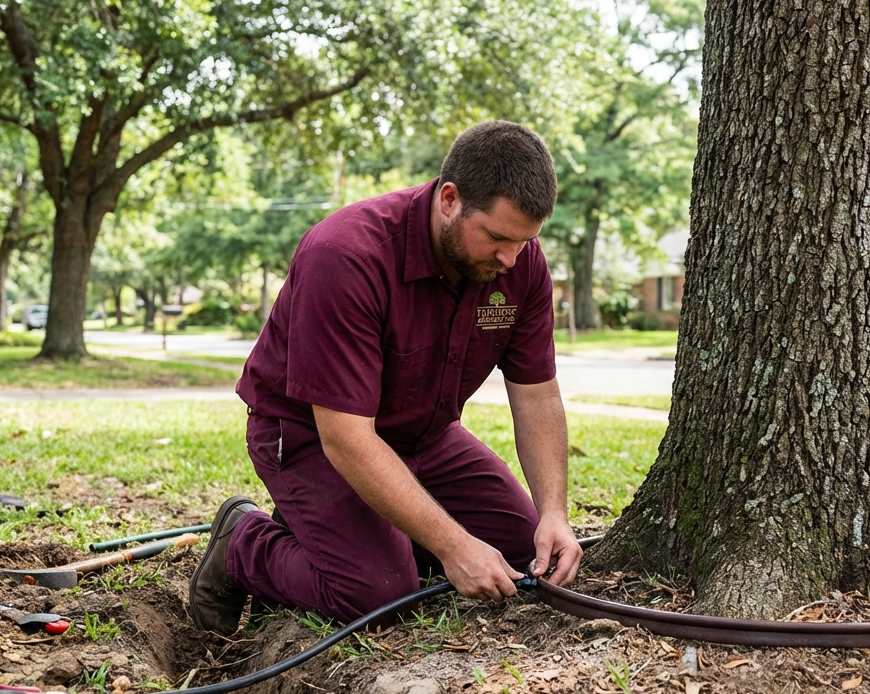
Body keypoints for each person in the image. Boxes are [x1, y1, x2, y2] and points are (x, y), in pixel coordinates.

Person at [187, 121, 583, 635]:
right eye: (497, 238)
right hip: (309, 436)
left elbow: (537, 396)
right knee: (380, 594)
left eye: (525, 242)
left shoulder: (519, 262)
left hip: (425, 437)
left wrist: (554, 513)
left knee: (523, 547)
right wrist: (453, 546)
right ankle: (244, 543)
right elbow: (347, 438)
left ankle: (353, 535)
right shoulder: (346, 255)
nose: (511, 260)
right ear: (449, 200)